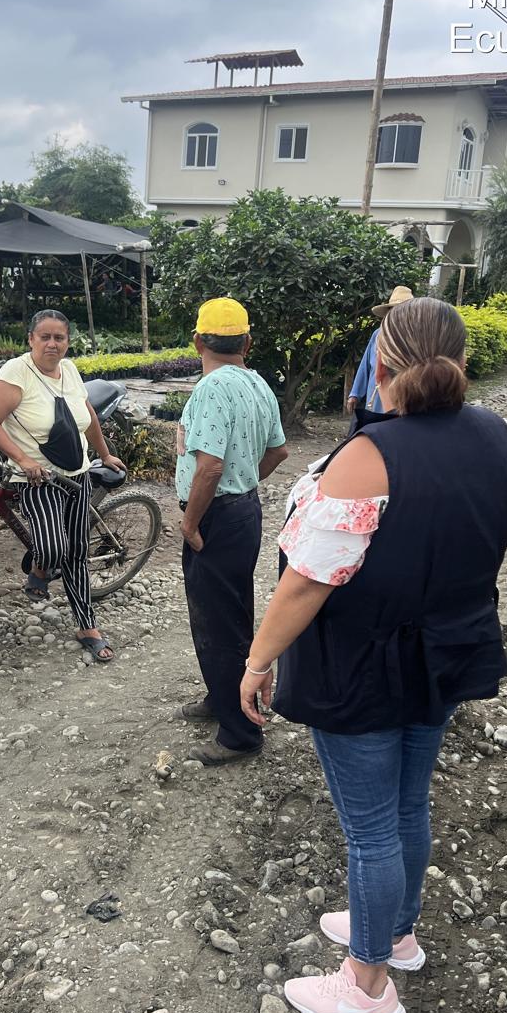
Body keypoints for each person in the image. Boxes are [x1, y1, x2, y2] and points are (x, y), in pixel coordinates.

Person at [238, 297, 507, 1013]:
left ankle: (367, 985)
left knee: (372, 830)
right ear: (461, 361)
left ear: (380, 365)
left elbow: (307, 582)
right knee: (408, 805)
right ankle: (396, 933)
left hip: (362, 664)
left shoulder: (366, 458)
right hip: (446, 652)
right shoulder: (503, 436)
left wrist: (256, 661)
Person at [175, 297, 289, 766]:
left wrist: (189, 523)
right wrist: (244, 482)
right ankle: (221, 697)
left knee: (216, 620)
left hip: (215, 516)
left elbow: (209, 467)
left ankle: (240, 734)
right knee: (233, 611)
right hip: (243, 511)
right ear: (247, 342)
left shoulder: (211, 388)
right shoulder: (257, 383)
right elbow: (278, 451)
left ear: (198, 342)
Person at [0, 309, 126, 663]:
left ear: (67, 342)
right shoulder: (16, 372)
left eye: (59, 338)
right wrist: (23, 460)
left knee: (76, 553)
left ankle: (87, 626)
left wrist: (104, 454)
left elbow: (87, 416)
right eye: (44, 337)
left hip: (77, 475)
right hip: (38, 478)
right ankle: (40, 570)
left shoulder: (69, 370)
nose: (52, 344)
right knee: (53, 546)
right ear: (31, 339)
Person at [347, 285, 413, 420]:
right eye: (394, 310)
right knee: (374, 428)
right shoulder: (378, 334)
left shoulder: (416, 338)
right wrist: (355, 393)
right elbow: (366, 365)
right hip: (376, 396)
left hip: (403, 397)